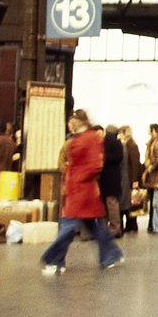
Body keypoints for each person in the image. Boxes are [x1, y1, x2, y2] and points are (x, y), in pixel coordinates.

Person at [40, 109, 125, 275]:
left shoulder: (90, 138)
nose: (70, 124)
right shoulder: (83, 137)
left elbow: (95, 165)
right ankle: (111, 255)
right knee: (94, 227)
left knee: (68, 226)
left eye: (72, 121)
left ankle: (54, 260)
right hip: (81, 190)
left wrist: (76, 178)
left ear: (80, 121)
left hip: (82, 191)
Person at [99, 122, 126, 239]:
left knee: (108, 204)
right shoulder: (118, 143)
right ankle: (115, 228)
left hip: (106, 177)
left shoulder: (105, 143)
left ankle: (109, 228)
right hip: (114, 177)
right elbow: (119, 158)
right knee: (112, 203)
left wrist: (103, 157)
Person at [119, 125, 143, 233]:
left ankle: (132, 224)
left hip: (130, 178)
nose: (120, 136)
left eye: (121, 133)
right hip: (127, 177)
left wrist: (135, 180)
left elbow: (135, 164)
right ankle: (130, 224)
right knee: (129, 201)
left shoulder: (132, 145)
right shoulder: (127, 144)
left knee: (131, 201)